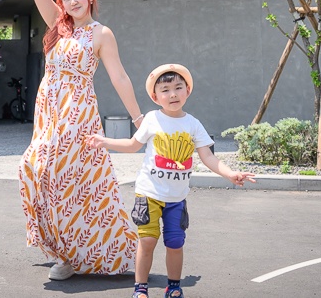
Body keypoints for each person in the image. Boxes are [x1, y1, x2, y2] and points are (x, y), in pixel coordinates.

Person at [0, 0, 143, 280]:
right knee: (35, 171)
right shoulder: (59, 28)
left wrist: (138, 118)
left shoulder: (101, 34)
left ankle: (77, 255)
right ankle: (65, 251)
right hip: (49, 111)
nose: (72, 2)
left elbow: (119, 77)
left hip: (78, 110)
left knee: (66, 178)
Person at [86, 64, 256, 298]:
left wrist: (230, 174)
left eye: (178, 87)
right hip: (148, 193)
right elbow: (133, 145)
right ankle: (140, 288)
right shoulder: (152, 119)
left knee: (175, 243)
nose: (173, 94)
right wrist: (105, 141)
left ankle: (174, 286)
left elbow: (208, 156)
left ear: (188, 90)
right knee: (147, 241)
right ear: (156, 97)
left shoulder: (193, 124)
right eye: (165, 90)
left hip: (177, 198)